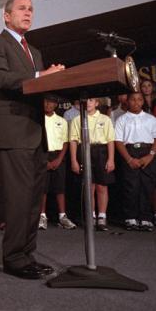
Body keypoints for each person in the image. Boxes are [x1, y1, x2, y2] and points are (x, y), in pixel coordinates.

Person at [0, 0, 65, 280]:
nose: (28, 13)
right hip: (13, 133)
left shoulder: (35, 52)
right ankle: (14, 259)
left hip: (35, 133)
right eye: (21, 8)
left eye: (31, 9)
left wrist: (57, 81)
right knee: (18, 200)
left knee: (32, 200)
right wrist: (41, 77)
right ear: (6, 15)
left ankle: (28, 254)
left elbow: (37, 86)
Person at [114, 92, 156, 231]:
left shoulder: (150, 119)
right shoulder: (122, 119)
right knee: (131, 186)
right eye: (133, 99)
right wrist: (129, 159)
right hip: (130, 152)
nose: (136, 102)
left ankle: (146, 218)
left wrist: (150, 156)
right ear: (127, 101)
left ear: (143, 102)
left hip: (148, 152)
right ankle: (131, 217)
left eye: (139, 99)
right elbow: (118, 141)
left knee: (147, 186)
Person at [69, 97, 116, 231]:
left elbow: (110, 140)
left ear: (96, 103)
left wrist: (111, 159)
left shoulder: (105, 119)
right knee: (89, 187)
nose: (88, 103)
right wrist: (74, 160)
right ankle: (91, 216)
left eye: (91, 100)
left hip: (101, 152)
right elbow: (73, 141)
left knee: (102, 186)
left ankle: (102, 216)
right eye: (85, 101)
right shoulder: (77, 120)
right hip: (84, 150)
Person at [41, 95, 75, 230]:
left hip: (58, 155)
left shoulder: (61, 120)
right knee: (42, 188)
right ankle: (42, 215)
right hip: (43, 155)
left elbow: (65, 141)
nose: (48, 104)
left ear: (56, 104)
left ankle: (62, 216)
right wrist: (44, 160)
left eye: (51, 102)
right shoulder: (38, 120)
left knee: (60, 187)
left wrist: (59, 159)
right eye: (46, 101)